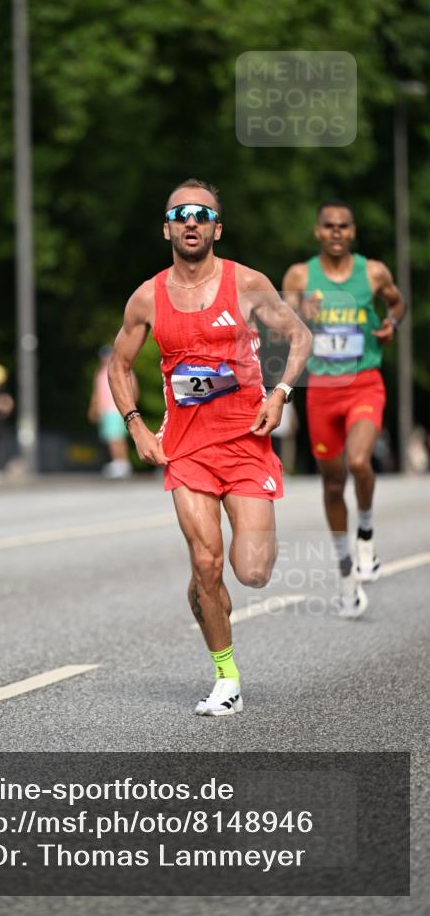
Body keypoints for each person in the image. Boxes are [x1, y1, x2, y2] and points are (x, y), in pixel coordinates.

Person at [108, 179, 312, 717]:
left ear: (216, 227)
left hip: (246, 443)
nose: (191, 222)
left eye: (201, 214)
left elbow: (299, 337)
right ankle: (226, 678)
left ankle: (206, 589)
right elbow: (119, 364)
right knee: (206, 560)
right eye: (181, 214)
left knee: (252, 572)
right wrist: (134, 425)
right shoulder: (147, 297)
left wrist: (282, 393)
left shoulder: (246, 283)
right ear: (168, 228)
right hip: (187, 449)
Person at [282, 200, 406, 618]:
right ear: (318, 231)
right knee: (333, 485)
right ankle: (345, 570)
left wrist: (392, 325)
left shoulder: (373, 271)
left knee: (358, 461)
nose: (336, 232)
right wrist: (300, 312)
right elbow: (281, 322)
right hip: (320, 391)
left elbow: (397, 303)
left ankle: (366, 536)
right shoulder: (300, 275)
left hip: (364, 384)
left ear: (353, 232)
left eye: (344, 226)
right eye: (329, 226)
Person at [88, 345, 136, 479]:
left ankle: (122, 463)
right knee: (112, 437)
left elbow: (133, 389)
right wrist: (94, 408)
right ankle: (119, 462)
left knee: (116, 437)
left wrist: (129, 406)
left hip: (116, 409)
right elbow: (97, 394)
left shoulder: (121, 369)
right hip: (106, 410)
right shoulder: (101, 373)